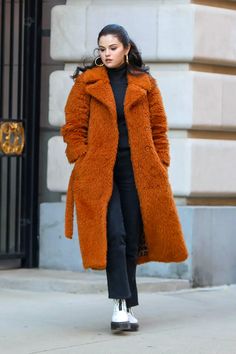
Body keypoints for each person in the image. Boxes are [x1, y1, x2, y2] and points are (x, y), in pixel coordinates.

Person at [61, 24, 188, 333]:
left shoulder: (145, 84)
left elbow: (159, 128)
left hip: (137, 169)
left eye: (112, 48)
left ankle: (129, 305)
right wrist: (81, 156)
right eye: (102, 49)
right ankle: (119, 302)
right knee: (114, 234)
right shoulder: (87, 83)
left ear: (127, 49)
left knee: (131, 236)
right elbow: (73, 127)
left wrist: (162, 161)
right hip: (99, 171)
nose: (106, 54)